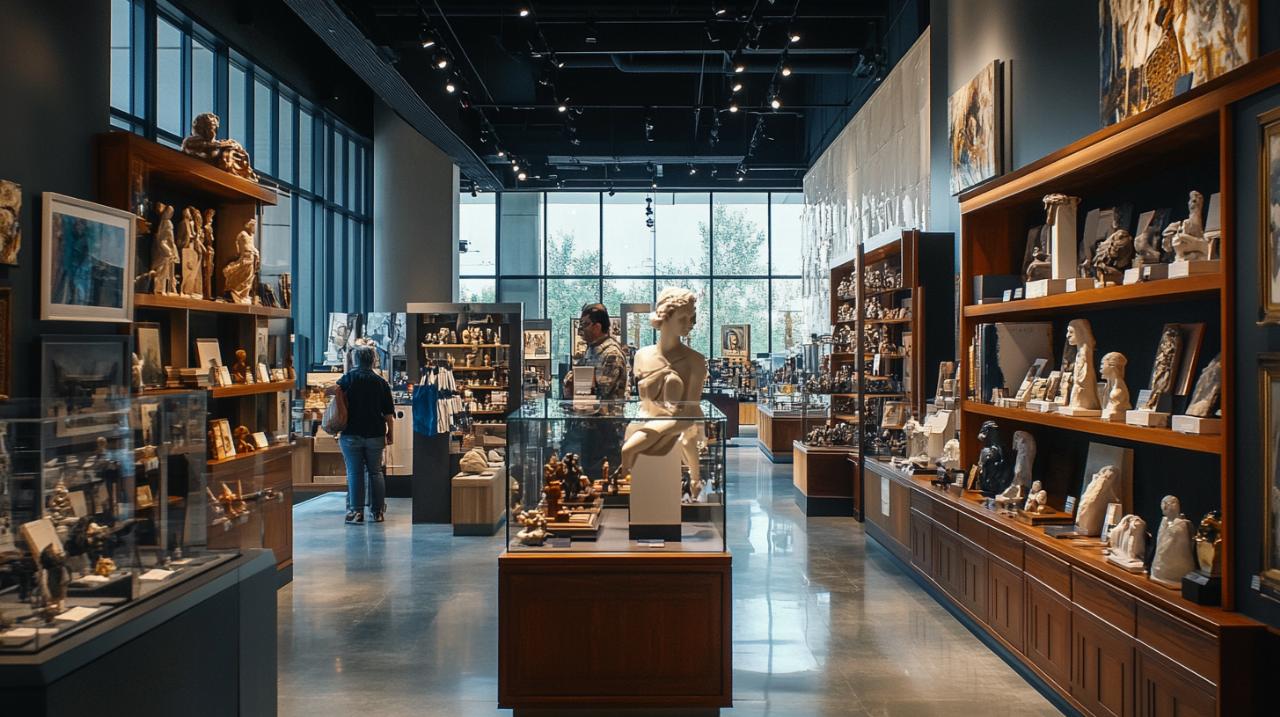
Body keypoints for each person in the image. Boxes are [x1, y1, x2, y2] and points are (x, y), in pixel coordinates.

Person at [328, 345, 394, 524]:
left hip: (351, 433)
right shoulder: (381, 382)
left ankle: (356, 512)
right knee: (375, 472)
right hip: (375, 434)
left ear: (355, 360)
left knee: (355, 473)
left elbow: (333, 390)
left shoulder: (348, 378)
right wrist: (390, 434)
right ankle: (377, 512)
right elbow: (388, 414)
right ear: (373, 360)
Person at [562, 304, 629, 476]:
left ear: (597, 326)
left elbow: (599, 392)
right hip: (590, 428)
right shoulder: (591, 350)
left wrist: (576, 383)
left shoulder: (611, 353)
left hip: (606, 430)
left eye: (585, 324)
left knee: (603, 478)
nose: (580, 330)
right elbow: (571, 380)